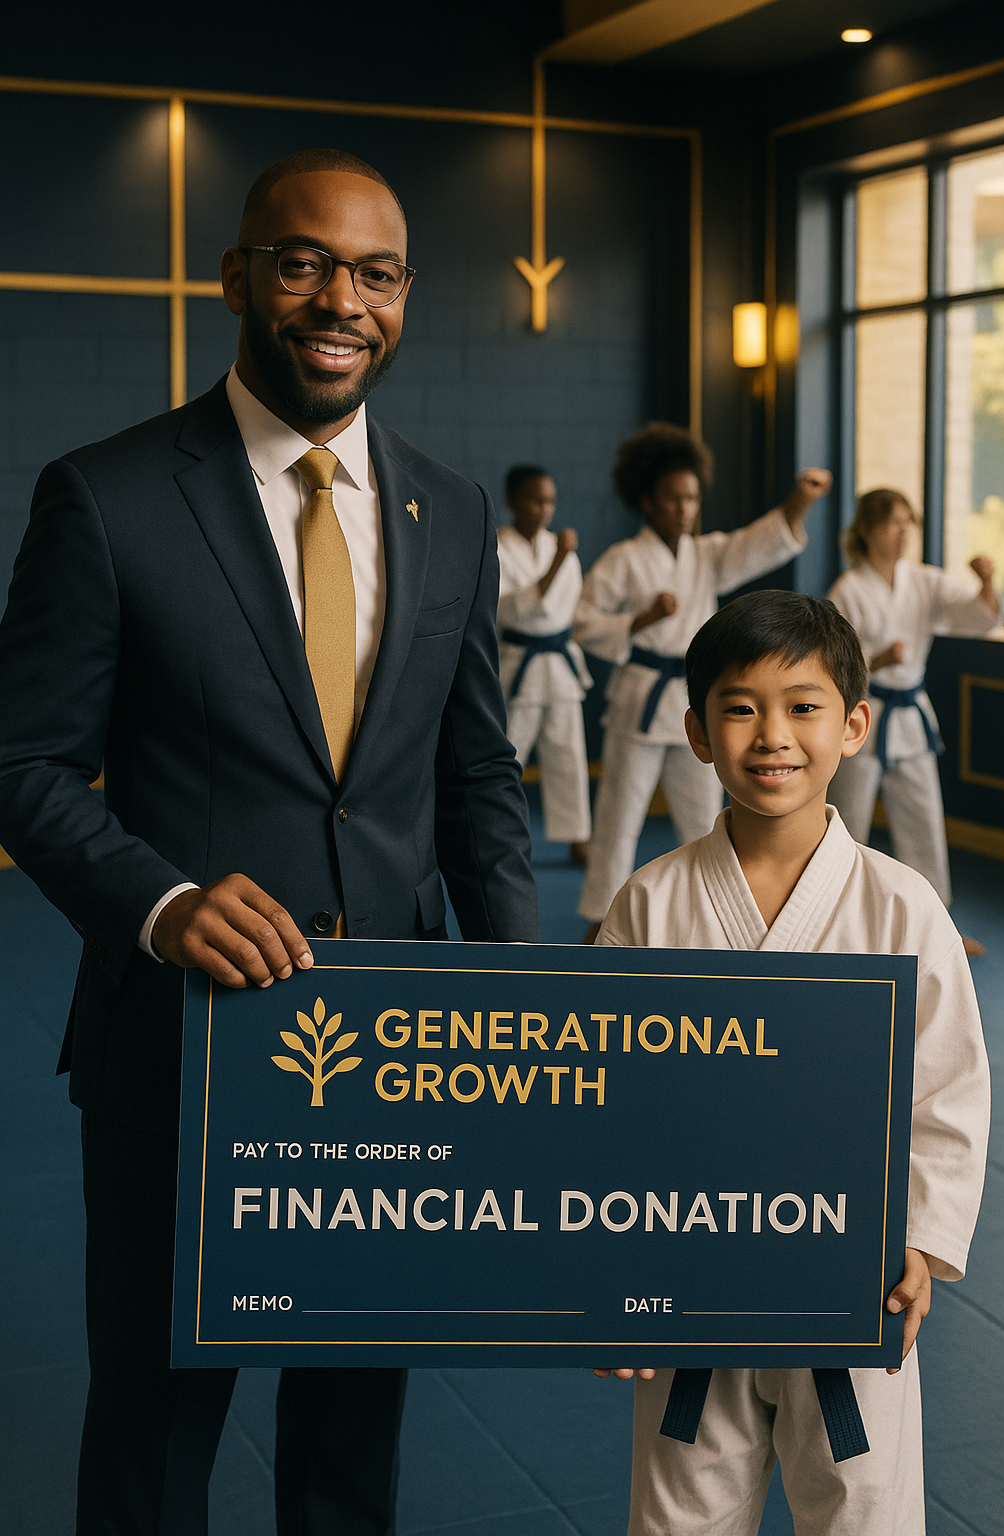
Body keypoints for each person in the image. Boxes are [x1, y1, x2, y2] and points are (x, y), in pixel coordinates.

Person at [0, 148, 538, 1535]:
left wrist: (530, 1002)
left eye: (374, 272)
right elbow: (26, 762)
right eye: (302, 262)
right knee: (158, 1428)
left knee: (356, 1435)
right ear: (240, 277)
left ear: (405, 296)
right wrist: (163, 900)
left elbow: (476, 774)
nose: (337, 299)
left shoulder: (455, 509)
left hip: (401, 1060)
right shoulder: (105, 495)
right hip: (184, 1044)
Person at [593, 590, 989, 1536]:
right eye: (740, 707)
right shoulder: (649, 905)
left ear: (854, 724)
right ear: (696, 731)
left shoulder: (902, 907)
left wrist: (919, 1247)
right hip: (686, 1285)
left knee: (864, 1514)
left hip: (854, 1288)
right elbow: (598, 1104)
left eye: (803, 706)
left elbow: (948, 1094)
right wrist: (604, 1273)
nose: (772, 735)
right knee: (679, 1517)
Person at [573, 421, 831, 941]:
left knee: (702, 812)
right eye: (672, 499)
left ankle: (711, 914)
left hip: (696, 703)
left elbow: (757, 544)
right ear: (647, 501)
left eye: (691, 498)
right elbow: (584, 623)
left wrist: (797, 505)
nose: (684, 509)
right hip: (641, 696)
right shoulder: (624, 560)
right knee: (620, 811)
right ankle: (602, 917)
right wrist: (641, 621)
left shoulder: (707, 555)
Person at [826, 488, 999, 940]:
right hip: (862, 715)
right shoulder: (848, 589)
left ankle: (937, 926)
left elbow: (976, 618)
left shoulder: (923, 581)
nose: (902, 532)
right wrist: (876, 662)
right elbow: (829, 662)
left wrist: (985, 584)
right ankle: (837, 922)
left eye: (907, 522)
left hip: (910, 718)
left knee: (922, 819)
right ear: (866, 530)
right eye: (891, 523)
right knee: (849, 820)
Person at [497, 464, 592, 864]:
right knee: (508, 755)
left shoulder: (562, 549)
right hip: (519, 665)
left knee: (568, 754)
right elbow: (513, 611)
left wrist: (560, 559)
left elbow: (564, 610)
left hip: (559, 664)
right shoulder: (496, 547)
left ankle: (576, 836)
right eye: (535, 500)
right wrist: (556, 563)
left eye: (549, 500)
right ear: (513, 501)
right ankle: (499, 833)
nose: (543, 508)